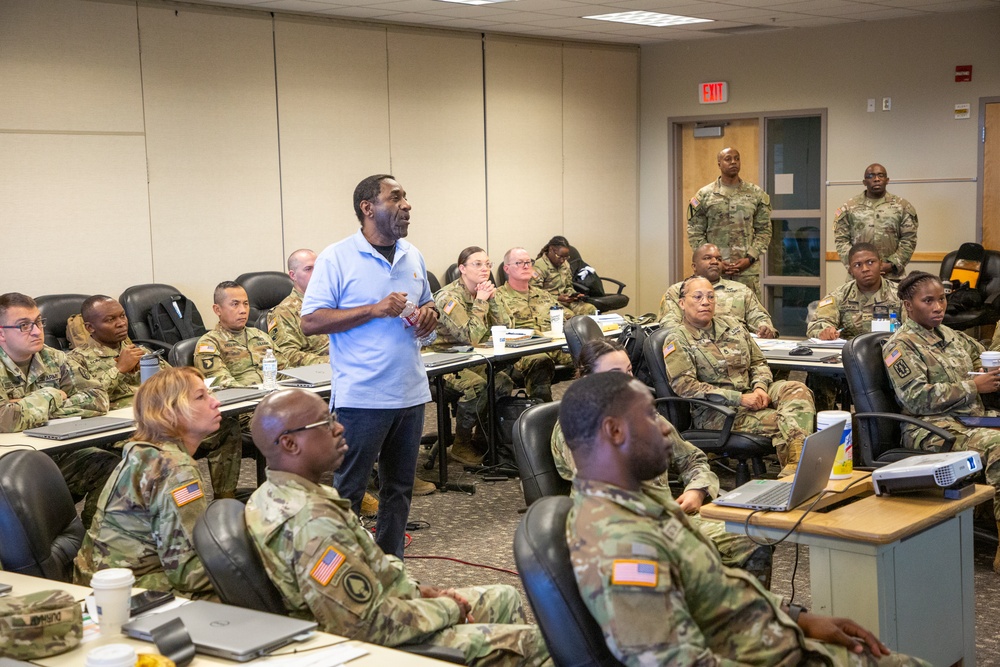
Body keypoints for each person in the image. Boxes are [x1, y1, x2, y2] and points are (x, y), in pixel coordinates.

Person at [562, 371, 929, 667]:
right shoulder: (621, 545)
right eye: (648, 415)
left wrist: (799, 618)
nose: (662, 427)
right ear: (614, 431)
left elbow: (713, 590)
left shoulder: (635, 498)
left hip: (776, 638)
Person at [245, 389, 550, 666]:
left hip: (384, 607)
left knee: (505, 597)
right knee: (540, 645)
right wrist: (446, 609)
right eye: (324, 424)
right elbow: (366, 625)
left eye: (334, 419)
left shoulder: (275, 495)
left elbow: (367, 574)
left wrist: (415, 590)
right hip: (373, 648)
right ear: (289, 443)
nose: (339, 429)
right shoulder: (312, 524)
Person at [549, 338, 771, 586]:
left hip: (668, 519)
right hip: (619, 533)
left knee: (754, 536)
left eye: (629, 371)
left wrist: (697, 490)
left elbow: (692, 458)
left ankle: (750, 618)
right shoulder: (579, 428)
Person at [301, 174, 438, 559]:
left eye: (406, 197)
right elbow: (310, 321)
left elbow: (427, 303)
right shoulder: (337, 256)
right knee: (349, 492)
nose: (407, 205)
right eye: (396, 197)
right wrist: (373, 310)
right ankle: (342, 571)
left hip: (410, 392)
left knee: (399, 491)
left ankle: (390, 565)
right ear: (368, 208)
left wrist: (430, 314)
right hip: (362, 397)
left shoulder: (413, 255)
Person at [70, 295, 243, 500]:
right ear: (90, 327)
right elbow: (88, 401)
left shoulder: (142, 351)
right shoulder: (76, 360)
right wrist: (119, 370)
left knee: (226, 427)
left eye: (123, 316)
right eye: (110, 320)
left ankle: (224, 501)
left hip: (161, 421)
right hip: (122, 431)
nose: (121, 323)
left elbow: (176, 383)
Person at [885, 271, 1000, 572]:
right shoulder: (900, 345)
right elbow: (914, 399)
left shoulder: (952, 336)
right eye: (928, 301)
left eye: (942, 299)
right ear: (909, 306)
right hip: (931, 428)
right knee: (999, 446)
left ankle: (987, 512)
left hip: (972, 419)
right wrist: (974, 386)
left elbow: (983, 356)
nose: (939, 307)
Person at [74, 367, 218, 599]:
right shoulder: (176, 468)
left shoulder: (144, 452)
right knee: (251, 593)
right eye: (201, 397)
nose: (215, 403)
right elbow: (187, 572)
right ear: (170, 412)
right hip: (123, 591)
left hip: (98, 580)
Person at [662, 276, 815, 472]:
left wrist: (760, 387)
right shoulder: (677, 339)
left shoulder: (732, 325)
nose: (705, 302)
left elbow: (758, 362)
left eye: (710, 296)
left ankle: (796, 465)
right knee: (789, 419)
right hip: (717, 412)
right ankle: (796, 471)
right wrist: (740, 399)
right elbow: (685, 386)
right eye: (698, 297)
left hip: (752, 392)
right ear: (682, 303)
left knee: (797, 389)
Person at [0, 292, 116, 528]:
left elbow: (98, 398)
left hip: (55, 454)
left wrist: (34, 408)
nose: (36, 331)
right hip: (7, 465)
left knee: (111, 467)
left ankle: (90, 544)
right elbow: (5, 419)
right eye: (24, 325)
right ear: (1, 332)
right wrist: (51, 394)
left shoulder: (54, 358)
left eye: (38, 322)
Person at [433, 246, 514, 465]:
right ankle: (461, 444)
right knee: (476, 386)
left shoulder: (484, 292)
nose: (484, 269)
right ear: (462, 269)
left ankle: (482, 436)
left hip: (470, 359)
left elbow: (508, 327)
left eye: (487, 264)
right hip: (442, 361)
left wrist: (493, 299)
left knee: (502, 382)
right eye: (477, 264)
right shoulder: (448, 297)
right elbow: (471, 336)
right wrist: (481, 301)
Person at [687, 147, 772, 297]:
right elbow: (695, 231)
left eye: (737, 158)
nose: (733, 162)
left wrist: (750, 258)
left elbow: (764, 230)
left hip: (747, 272)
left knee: (749, 315)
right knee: (711, 313)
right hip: (713, 273)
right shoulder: (705, 195)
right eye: (728, 159)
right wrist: (711, 261)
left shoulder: (755, 194)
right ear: (719, 163)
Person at [495, 247, 574, 402]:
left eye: (528, 262)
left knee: (590, 354)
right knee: (540, 361)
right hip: (522, 351)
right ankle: (542, 415)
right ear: (507, 269)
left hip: (552, 345)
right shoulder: (498, 297)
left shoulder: (543, 295)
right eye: (519, 263)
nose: (525, 266)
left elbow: (569, 317)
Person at [658, 242, 777, 337]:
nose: (715, 262)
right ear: (694, 266)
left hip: (736, 347)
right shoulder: (677, 291)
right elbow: (669, 325)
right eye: (707, 258)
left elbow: (759, 317)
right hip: (696, 348)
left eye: (719, 259)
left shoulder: (741, 290)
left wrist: (764, 327)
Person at [834, 163, 918, 280]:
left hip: (892, 276)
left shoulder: (902, 206)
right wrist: (855, 266)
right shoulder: (849, 207)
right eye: (871, 176)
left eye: (880, 175)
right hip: (859, 277)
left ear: (887, 180)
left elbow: (909, 239)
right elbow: (841, 240)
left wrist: (891, 264)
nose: (876, 179)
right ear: (864, 182)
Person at [808, 243, 903, 340]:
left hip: (889, 351)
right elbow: (816, 325)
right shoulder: (839, 296)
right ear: (851, 271)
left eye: (870, 262)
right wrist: (826, 331)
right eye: (857, 265)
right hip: (850, 352)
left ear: (880, 264)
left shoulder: (901, 294)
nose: (865, 269)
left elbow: (913, 328)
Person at [194, 281, 280, 388]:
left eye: (246, 304)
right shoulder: (209, 344)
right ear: (217, 310)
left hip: (275, 394)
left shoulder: (260, 335)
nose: (243, 310)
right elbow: (222, 383)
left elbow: (285, 370)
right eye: (235, 304)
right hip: (243, 399)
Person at [268, 249, 330, 368]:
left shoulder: (333, 302)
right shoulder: (284, 312)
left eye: (317, 267)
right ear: (293, 275)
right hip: (319, 373)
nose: (316, 273)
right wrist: (332, 361)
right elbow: (286, 354)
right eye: (308, 269)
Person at [531, 236, 596, 316]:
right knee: (569, 315)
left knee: (590, 309)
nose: (562, 260)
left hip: (565, 301)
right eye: (560, 257)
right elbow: (534, 293)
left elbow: (568, 286)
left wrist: (574, 295)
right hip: (547, 303)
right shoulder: (539, 267)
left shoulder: (565, 265)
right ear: (551, 250)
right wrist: (557, 298)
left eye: (565, 257)